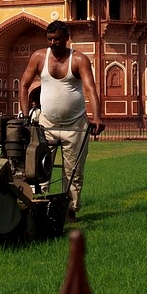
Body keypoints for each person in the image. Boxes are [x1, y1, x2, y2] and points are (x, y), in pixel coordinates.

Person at [19, 20, 104, 224]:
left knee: (73, 172)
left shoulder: (79, 59)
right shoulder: (39, 57)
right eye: (49, 39)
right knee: (38, 169)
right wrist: (26, 116)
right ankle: (37, 209)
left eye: (57, 39)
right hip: (46, 124)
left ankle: (69, 212)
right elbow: (23, 85)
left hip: (75, 125)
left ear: (67, 38)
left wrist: (97, 116)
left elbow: (90, 89)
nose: (52, 43)